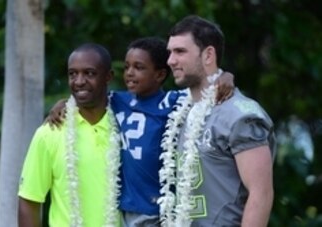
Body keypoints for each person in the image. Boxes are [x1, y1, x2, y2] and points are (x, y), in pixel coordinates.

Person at [45, 37, 235, 226]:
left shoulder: (174, 102)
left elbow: (205, 92)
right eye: (127, 67)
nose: (130, 73)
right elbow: (88, 97)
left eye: (139, 67)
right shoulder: (116, 100)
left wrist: (226, 76)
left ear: (160, 75)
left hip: (157, 208)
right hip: (123, 208)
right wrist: (63, 103)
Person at [158, 15, 276, 227]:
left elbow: (261, 194)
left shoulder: (240, 114)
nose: (170, 60)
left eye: (180, 51)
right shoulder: (177, 109)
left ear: (208, 55)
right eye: (170, 52)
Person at [18, 43, 121, 227]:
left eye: (89, 73)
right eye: (72, 74)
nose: (79, 81)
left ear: (108, 77)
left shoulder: (126, 126)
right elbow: (29, 201)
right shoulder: (50, 131)